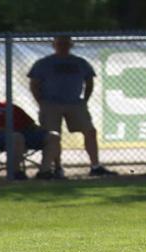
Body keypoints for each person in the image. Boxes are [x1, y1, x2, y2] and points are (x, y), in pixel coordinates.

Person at [28, 35, 117, 177]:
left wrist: (85, 100)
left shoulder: (80, 62)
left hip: (75, 103)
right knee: (53, 136)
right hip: (51, 104)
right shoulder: (43, 63)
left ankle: (95, 166)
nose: (63, 46)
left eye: (66, 43)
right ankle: (57, 168)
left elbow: (89, 82)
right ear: (54, 45)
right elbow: (34, 84)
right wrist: (41, 102)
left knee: (90, 131)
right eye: (60, 43)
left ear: (71, 45)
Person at [0, 80, 63, 180]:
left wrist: (40, 129)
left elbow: (30, 124)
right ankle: (15, 172)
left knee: (53, 136)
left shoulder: (10, 106)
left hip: (22, 134)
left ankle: (45, 171)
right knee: (16, 137)